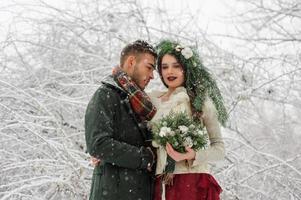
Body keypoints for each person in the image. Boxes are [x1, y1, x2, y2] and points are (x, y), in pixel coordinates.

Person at [149, 39, 228, 200]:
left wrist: (191, 155)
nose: (170, 71)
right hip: (159, 182)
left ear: (186, 69)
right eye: (165, 67)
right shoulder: (151, 101)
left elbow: (219, 150)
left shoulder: (200, 102)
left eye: (176, 66)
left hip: (191, 181)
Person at [84, 40, 158, 200]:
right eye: (149, 67)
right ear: (131, 61)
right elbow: (98, 144)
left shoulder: (141, 103)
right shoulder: (105, 95)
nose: (153, 75)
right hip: (114, 193)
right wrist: (144, 157)